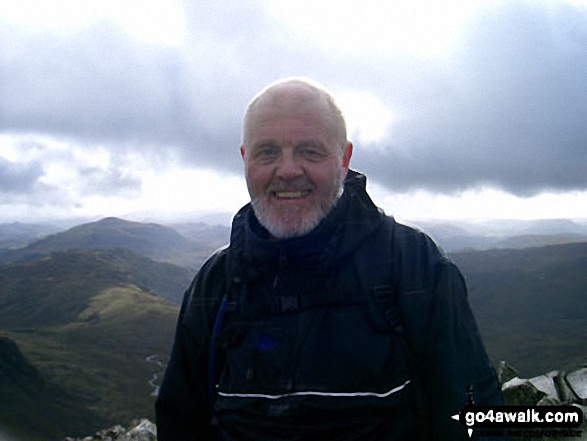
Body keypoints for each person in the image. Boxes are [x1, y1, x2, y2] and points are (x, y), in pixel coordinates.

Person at [155, 78, 504, 440]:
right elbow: (180, 423)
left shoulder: (416, 269)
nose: (288, 170)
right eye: (268, 152)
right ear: (246, 159)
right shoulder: (215, 286)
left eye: (310, 151)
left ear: (344, 158)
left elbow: (473, 420)